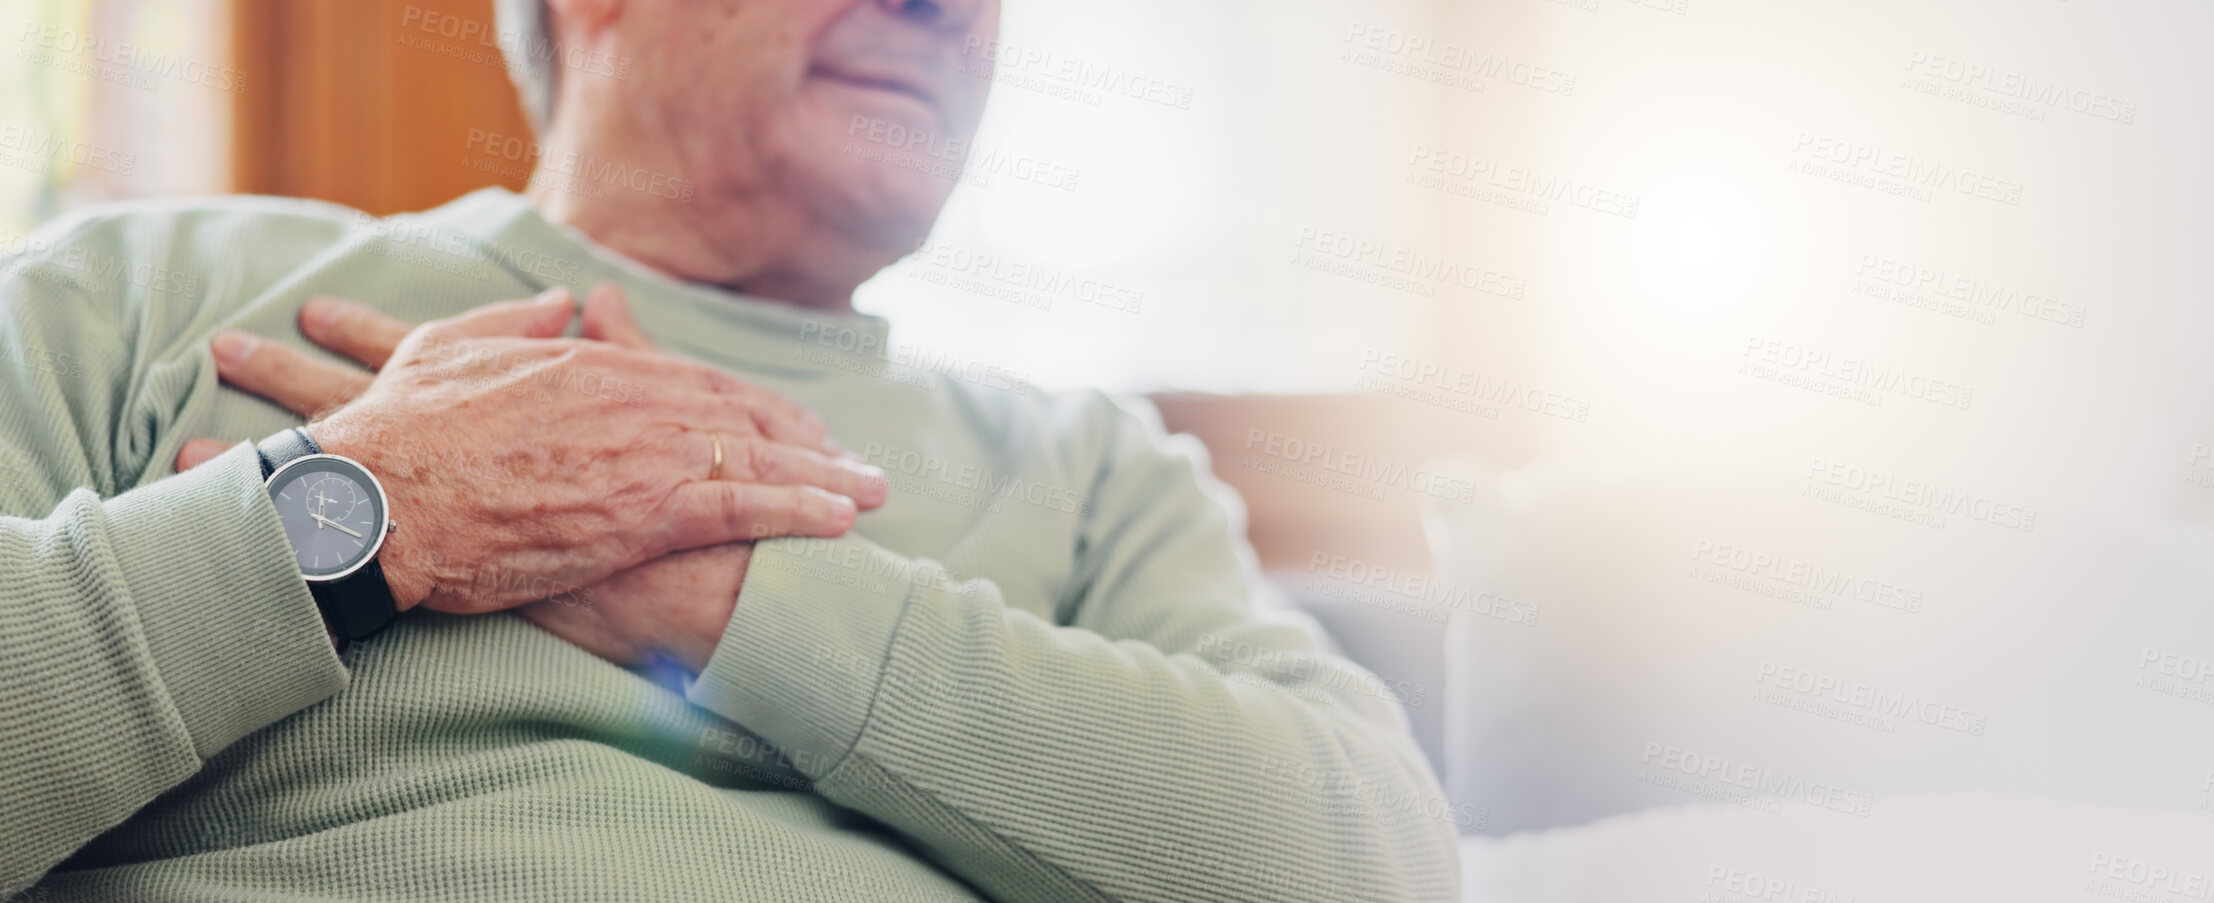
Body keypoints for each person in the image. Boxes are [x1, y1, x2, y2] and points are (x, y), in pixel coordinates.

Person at [0, 0, 1461, 899]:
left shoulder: (1089, 469)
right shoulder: (140, 295)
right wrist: (372, 510)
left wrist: (733, 591)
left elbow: (1370, 868)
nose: (946, 4)